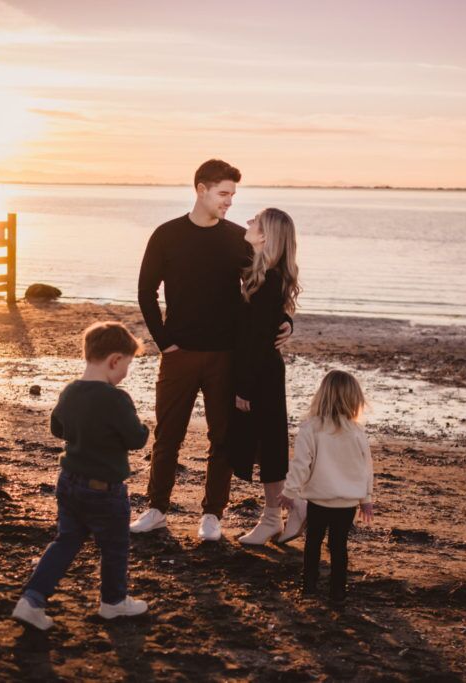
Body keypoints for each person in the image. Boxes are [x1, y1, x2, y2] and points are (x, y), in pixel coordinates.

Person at [131, 159, 291, 541]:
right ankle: (156, 509)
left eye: (233, 195)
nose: (229, 202)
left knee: (223, 437)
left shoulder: (239, 238)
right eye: (223, 193)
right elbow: (145, 291)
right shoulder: (166, 235)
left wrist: (286, 321)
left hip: (226, 356)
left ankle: (212, 515)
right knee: (168, 435)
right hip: (179, 353)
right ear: (200, 189)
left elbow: (264, 288)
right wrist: (163, 341)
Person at [12, 322, 150, 630]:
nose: (125, 373)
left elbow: (57, 429)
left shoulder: (70, 391)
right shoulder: (116, 399)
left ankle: (32, 599)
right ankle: (113, 602)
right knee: (114, 546)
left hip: (69, 481)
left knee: (66, 540)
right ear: (114, 360)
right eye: (126, 365)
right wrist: (145, 428)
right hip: (105, 490)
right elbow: (135, 439)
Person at [229, 208, 307, 545]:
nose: (247, 223)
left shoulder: (269, 279)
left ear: (265, 236)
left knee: (269, 446)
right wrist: (287, 321)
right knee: (267, 445)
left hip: (261, 373)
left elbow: (258, 339)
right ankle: (278, 515)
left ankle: (280, 514)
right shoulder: (261, 273)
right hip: (260, 369)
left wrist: (244, 386)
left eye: (254, 222)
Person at [279, 370, 374, 604]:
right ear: (355, 399)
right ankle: (338, 591)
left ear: (322, 395)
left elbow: (301, 464)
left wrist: (289, 491)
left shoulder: (311, 428)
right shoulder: (357, 432)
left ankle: (309, 586)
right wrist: (366, 499)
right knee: (339, 546)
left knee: (313, 542)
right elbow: (366, 468)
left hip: (319, 500)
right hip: (347, 503)